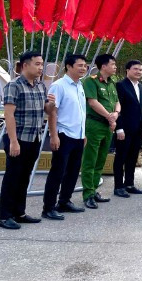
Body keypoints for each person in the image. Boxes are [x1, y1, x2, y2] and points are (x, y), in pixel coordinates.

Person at [0, 51, 56, 229]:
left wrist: (51, 104)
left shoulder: (40, 86)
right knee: (12, 177)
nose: (40, 68)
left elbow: (47, 110)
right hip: (19, 138)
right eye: (37, 64)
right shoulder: (14, 86)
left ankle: (19, 213)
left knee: (24, 177)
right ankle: (4, 217)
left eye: (42, 64)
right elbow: (9, 115)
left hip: (34, 138)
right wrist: (13, 141)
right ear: (25, 65)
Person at [41, 54, 88, 221]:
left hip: (78, 135)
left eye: (85, 66)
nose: (83, 68)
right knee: (58, 172)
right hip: (64, 134)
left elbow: (80, 112)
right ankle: (48, 207)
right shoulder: (59, 86)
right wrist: (53, 135)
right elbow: (52, 112)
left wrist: (83, 133)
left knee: (73, 171)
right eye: (80, 65)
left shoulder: (80, 85)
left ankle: (64, 201)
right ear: (68, 66)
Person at [80, 54, 120, 209]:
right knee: (90, 159)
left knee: (101, 159)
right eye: (112, 64)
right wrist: (109, 116)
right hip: (95, 124)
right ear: (103, 66)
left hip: (108, 126)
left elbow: (117, 102)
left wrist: (115, 114)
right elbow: (92, 102)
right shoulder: (91, 81)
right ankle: (88, 194)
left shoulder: (112, 83)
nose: (115, 67)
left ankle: (94, 188)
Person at [113, 60, 142, 198]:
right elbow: (117, 107)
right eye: (135, 69)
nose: (138, 72)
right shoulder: (120, 85)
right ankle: (118, 186)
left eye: (140, 69)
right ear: (127, 70)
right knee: (121, 157)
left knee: (133, 157)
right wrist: (119, 128)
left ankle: (129, 184)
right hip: (124, 129)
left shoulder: (141, 86)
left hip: (137, 129)